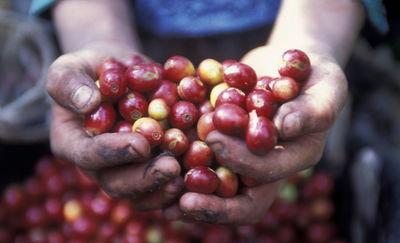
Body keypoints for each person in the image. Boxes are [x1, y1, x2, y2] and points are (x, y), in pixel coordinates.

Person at [32, 0, 374, 225]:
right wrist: (95, 35)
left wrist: (316, 33)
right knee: (158, 183)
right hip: (128, 34)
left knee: (299, 160)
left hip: (299, 23)